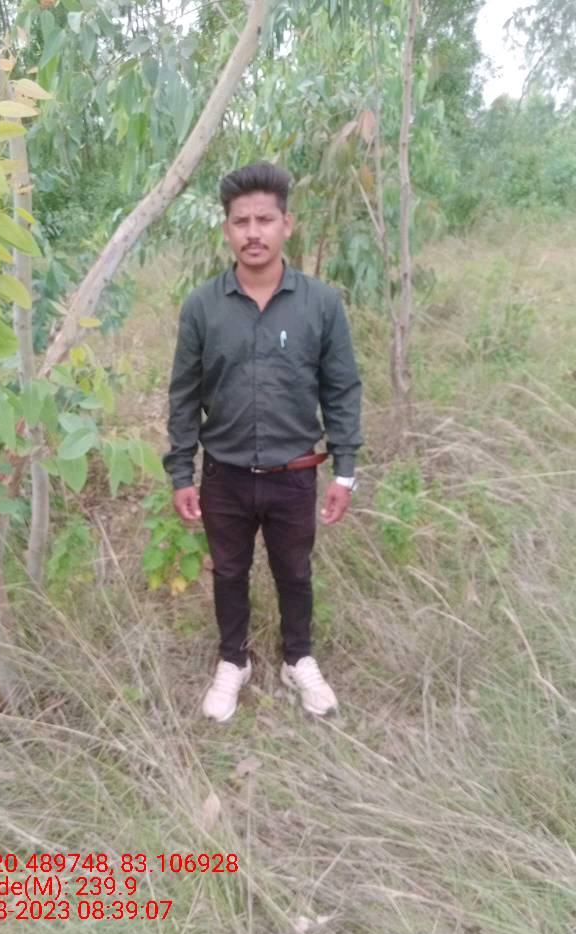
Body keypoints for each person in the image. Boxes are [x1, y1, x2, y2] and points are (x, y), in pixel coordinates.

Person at [162, 162, 363, 722]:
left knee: (294, 572)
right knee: (229, 573)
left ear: (286, 225)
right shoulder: (202, 306)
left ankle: (298, 658)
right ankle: (234, 661)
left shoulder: (320, 303)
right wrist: (181, 472)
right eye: (241, 222)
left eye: (265, 220)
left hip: (294, 474)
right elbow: (184, 394)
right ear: (227, 229)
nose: (253, 233)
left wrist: (345, 469)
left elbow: (341, 388)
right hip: (223, 475)